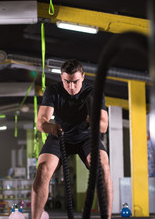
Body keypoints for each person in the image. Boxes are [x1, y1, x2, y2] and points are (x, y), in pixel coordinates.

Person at [31, 59, 112, 219]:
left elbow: (103, 127)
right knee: (43, 169)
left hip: (86, 137)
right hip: (59, 135)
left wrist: (93, 121)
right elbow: (41, 122)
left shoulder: (93, 93)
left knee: (103, 166)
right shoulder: (53, 91)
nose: (71, 86)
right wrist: (51, 127)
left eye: (75, 82)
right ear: (61, 78)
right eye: (67, 82)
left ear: (82, 76)